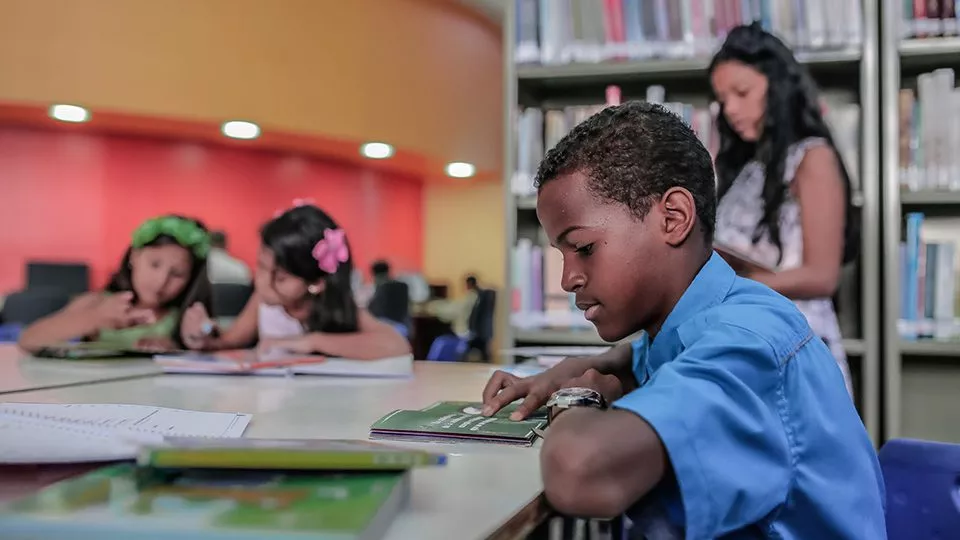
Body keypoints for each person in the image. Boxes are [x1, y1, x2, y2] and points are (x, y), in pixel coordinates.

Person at [480, 102, 885, 538]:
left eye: (584, 248)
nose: (567, 279)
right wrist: (572, 369)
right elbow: (634, 359)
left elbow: (579, 473)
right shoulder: (695, 319)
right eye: (560, 256)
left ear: (673, 218)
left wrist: (578, 398)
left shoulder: (748, 342)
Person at [709, 23, 858, 395]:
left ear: (776, 86)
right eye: (722, 99)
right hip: (749, 336)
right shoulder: (747, 169)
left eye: (741, 93)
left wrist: (735, 286)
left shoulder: (813, 158)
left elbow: (822, 276)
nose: (731, 110)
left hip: (797, 343)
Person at [179, 204, 410, 360]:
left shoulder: (337, 307)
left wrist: (312, 341)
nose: (262, 282)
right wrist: (203, 336)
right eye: (260, 266)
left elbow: (397, 346)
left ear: (317, 282)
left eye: (280, 277)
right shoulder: (264, 301)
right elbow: (229, 341)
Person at [18, 215, 212, 352]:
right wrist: (95, 318)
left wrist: (192, 339)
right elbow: (29, 339)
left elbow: (211, 334)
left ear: (191, 280)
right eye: (154, 265)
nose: (161, 282)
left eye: (177, 274)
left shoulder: (184, 317)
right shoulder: (97, 302)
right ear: (134, 257)